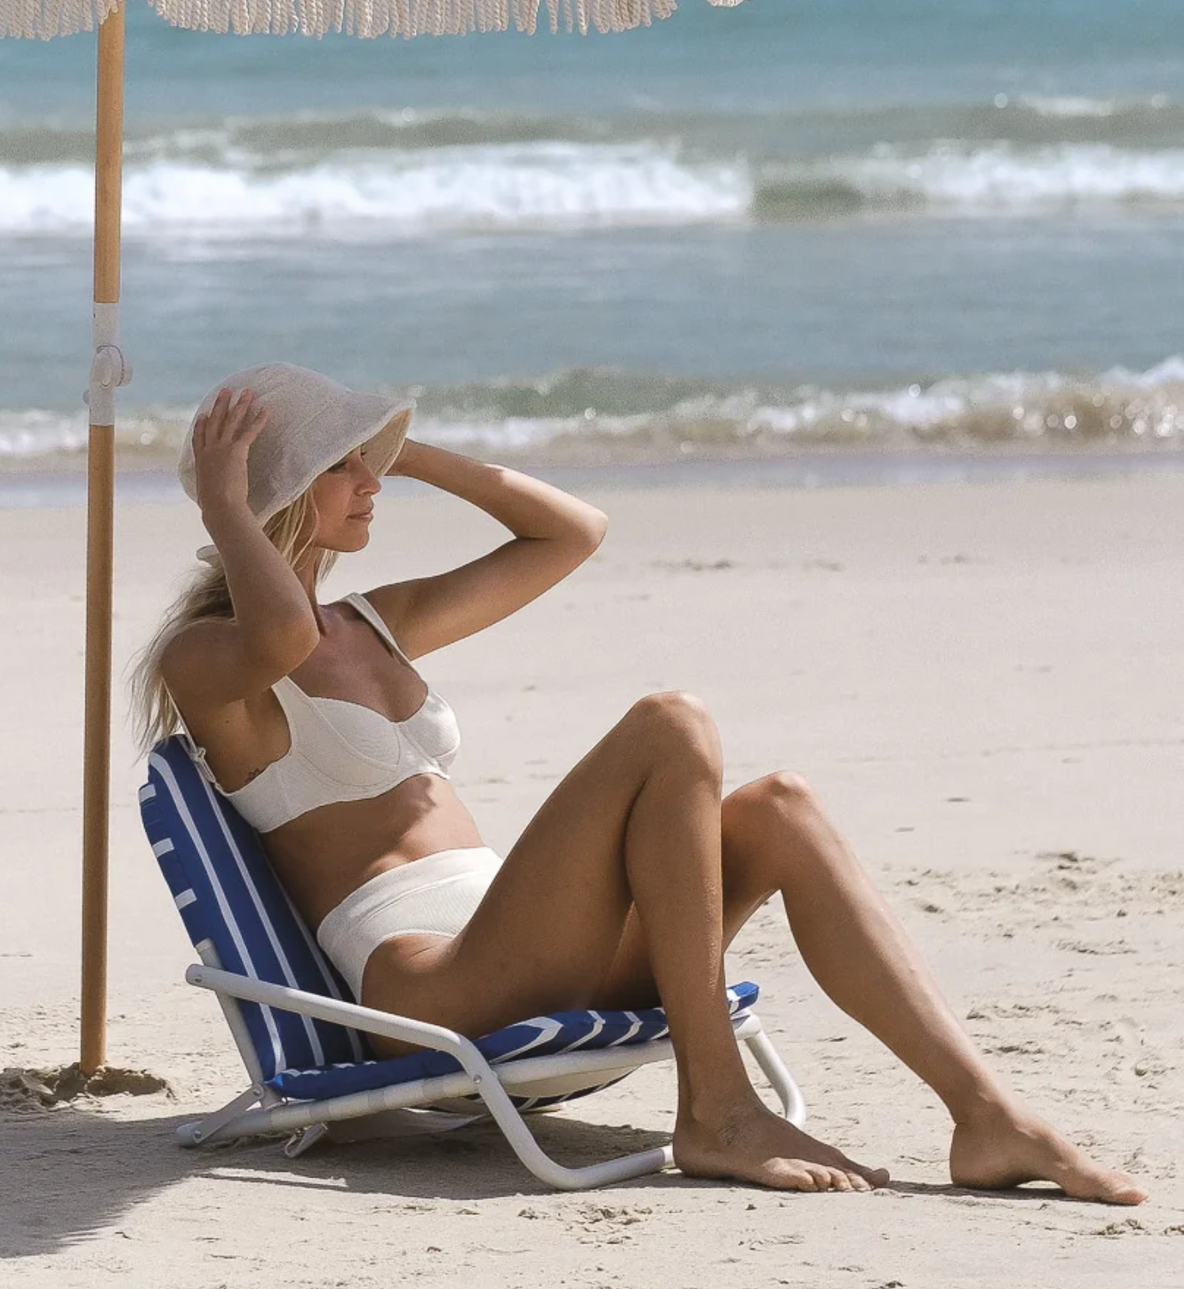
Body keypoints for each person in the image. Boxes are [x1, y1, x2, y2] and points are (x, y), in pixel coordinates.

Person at [135, 363, 1143, 1200]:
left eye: (371, 462)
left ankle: (985, 1116)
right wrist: (227, 502)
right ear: (277, 487)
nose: (372, 483)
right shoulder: (207, 659)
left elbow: (571, 530)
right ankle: (716, 1108)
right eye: (342, 466)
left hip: (527, 932)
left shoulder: (374, 620)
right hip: (434, 979)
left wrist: (404, 450)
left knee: (780, 804)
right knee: (669, 723)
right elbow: (278, 631)